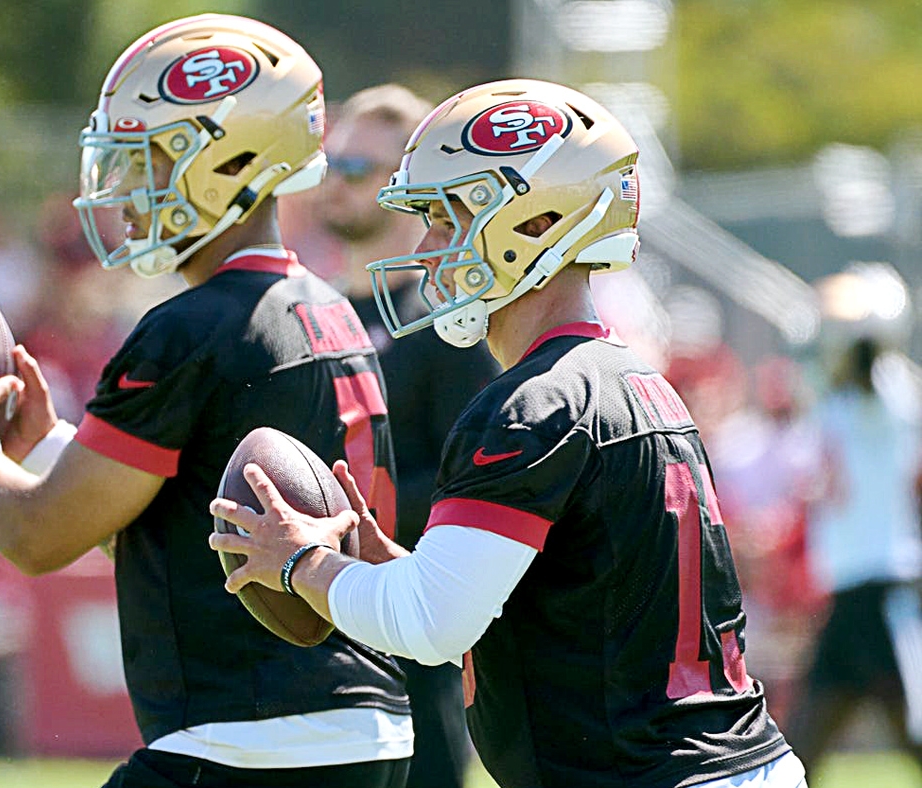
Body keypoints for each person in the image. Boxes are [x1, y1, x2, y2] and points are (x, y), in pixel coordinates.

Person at [209, 78, 804, 788]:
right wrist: (397, 564)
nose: (428, 245)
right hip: (725, 763)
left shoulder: (533, 405)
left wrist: (299, 560)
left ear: (534, 225)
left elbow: (433, 626)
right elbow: (563, 596)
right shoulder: (634, 383)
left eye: (449, 218)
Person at [0, 14, 412, 788]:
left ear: (228, 162)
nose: (126, 190)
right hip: (361, 733)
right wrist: (48, 448)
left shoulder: (189, 328)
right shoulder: (329, 310)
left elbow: (35, 538)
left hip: (249, 740)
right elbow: (196, 527)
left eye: (153, 158)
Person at [320, 83, 500, 788]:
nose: (334, 182)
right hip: (320, 618)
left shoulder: (444, 320)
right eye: (331, 163)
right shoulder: (313, 305)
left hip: (407, 626)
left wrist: (342, 518)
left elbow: (472, 476)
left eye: (357, 169)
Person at [787, 264, 922, 775]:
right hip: (851, 588)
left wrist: (863, 320)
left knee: (908, 727)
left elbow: (868, 353)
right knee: (806, 742)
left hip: (881, 584)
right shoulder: (842, 400)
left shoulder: (888, 394)